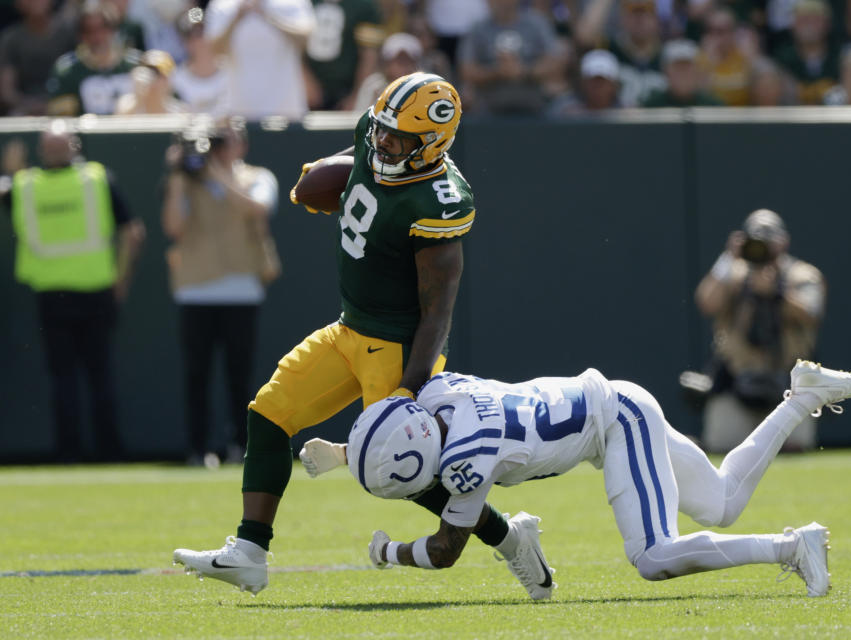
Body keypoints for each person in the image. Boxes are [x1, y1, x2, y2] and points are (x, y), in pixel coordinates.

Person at [172, 73, 542, 599]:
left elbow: (438, 312)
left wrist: (410, 390)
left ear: (431, 142)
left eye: (398, 137)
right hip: (350, 327)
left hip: (396, 347)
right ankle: (250, 554)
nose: (383, 140)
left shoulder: (440, 201)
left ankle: (511, 538)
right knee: (269, 414)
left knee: (409, 476)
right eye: (382, 128)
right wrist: (334, 174)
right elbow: (361, 159)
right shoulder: (378, 128)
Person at [337, 360, 851, 597]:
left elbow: (444, 550)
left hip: (614, 422)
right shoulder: (436, 394)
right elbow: (406, 444)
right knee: (722, 504)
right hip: (614, 401)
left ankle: (793, 548)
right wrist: (346, 454)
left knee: (653, 556)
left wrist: (387, 552)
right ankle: (805, 393)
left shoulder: (464, 461)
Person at [2, 121, 145, 462]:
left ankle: (72, 451)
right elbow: (134, 232)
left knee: (69, 378)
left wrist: (10, 170)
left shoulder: (25, 184)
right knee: (96, 376)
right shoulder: (94, 179)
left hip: (62, 294)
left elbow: (132, 232)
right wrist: (121, 280)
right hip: (88, 291)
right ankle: (104, 450)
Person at [161, 121, 280, 467]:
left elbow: (258, 209)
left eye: (227, 141)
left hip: (242, 288)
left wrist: (215, 174)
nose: (219, 149)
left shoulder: (258, 176)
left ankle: (239, 446)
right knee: (196, 374)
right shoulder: (186, 179)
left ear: (241, 144)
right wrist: (178, 177)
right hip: (195, 290)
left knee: (239, 375)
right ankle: (197, 449)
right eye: (215, 142)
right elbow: (173, 227)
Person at [695, 209, 826, 453]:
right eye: (755, 240)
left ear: (783, 242)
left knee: (794, 451)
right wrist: (727, 258)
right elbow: (706, 302)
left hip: (788, 387)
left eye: (768, 240)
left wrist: (777, 293)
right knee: (723, 450)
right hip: (736, 383)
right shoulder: (733, 274)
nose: (761, 247)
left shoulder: (801, 275)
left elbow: (812, 313)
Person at [204, 0, 315, 119]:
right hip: (240, 111)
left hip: (288, 111)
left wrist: (268, 16)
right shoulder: (221, 5)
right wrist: (237, 18)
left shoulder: (293, 2)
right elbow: (213, 50)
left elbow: (307, 39)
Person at [458, 0, 567, 115]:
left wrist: (524, 71)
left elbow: (556, 62)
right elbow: (466, 70)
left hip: (536, 99)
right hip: (488, 102)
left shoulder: (536, 23)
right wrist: (497, 72)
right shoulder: (478, 28)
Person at [46, 1, 141, 116]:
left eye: (103, 28)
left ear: (114, 29)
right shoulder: (67, 71)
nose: (97, 37)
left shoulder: (136, 65)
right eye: (89, 31)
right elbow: (62, 119)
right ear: (81, 35)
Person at [303, 0, 384, 111]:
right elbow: (291, 46)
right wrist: (305, 80)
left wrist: (357, 96)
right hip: (306, 93)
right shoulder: (302, 3)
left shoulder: (365, 6)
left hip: (346, 92)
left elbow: (370, 54)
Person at [0, 0, 75, 116]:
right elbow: (7, 91)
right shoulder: (11, 39)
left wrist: (54, 104)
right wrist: (29, 105)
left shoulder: (70, 34)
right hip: (24, 108)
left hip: (65, 105)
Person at [773, 0, 841, 105]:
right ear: (793, 25)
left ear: (826, 24)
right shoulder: (781, 60)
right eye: (803, 20)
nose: (808, 26)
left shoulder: (840, 57)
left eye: (814, 21)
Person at [169, 7, 229, 116]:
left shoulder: (233, 72)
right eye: (195, 33)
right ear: (185, 41)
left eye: (205, 30)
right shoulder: (175, 81)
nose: (203, 38)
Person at [353, 32, 423, 111]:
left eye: (408, 60)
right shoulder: (373, 85)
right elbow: (361, 116)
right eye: (399, 60)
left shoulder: (424, 86)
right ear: (387, 62)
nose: (403, 66)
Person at [643, 39, 723, 107]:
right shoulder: (652, 106)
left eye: (687, 67)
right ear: (666, 72)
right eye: (678, 68)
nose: (683, 74)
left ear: (697, 71)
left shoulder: (713, 106)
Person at [549, 48, 626, 115]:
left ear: (614, 85)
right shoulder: (562, 110)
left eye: (603, 82)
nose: (598, 88)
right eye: (593, 81)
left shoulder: (627, 113)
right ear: (582, 83)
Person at [114, 48, 186, 114]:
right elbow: (120, 120)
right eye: (148, 71)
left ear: (168, 80)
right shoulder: (126, 103)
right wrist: (139, 97)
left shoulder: (179, 112)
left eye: (157, 73)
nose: (152, 78)